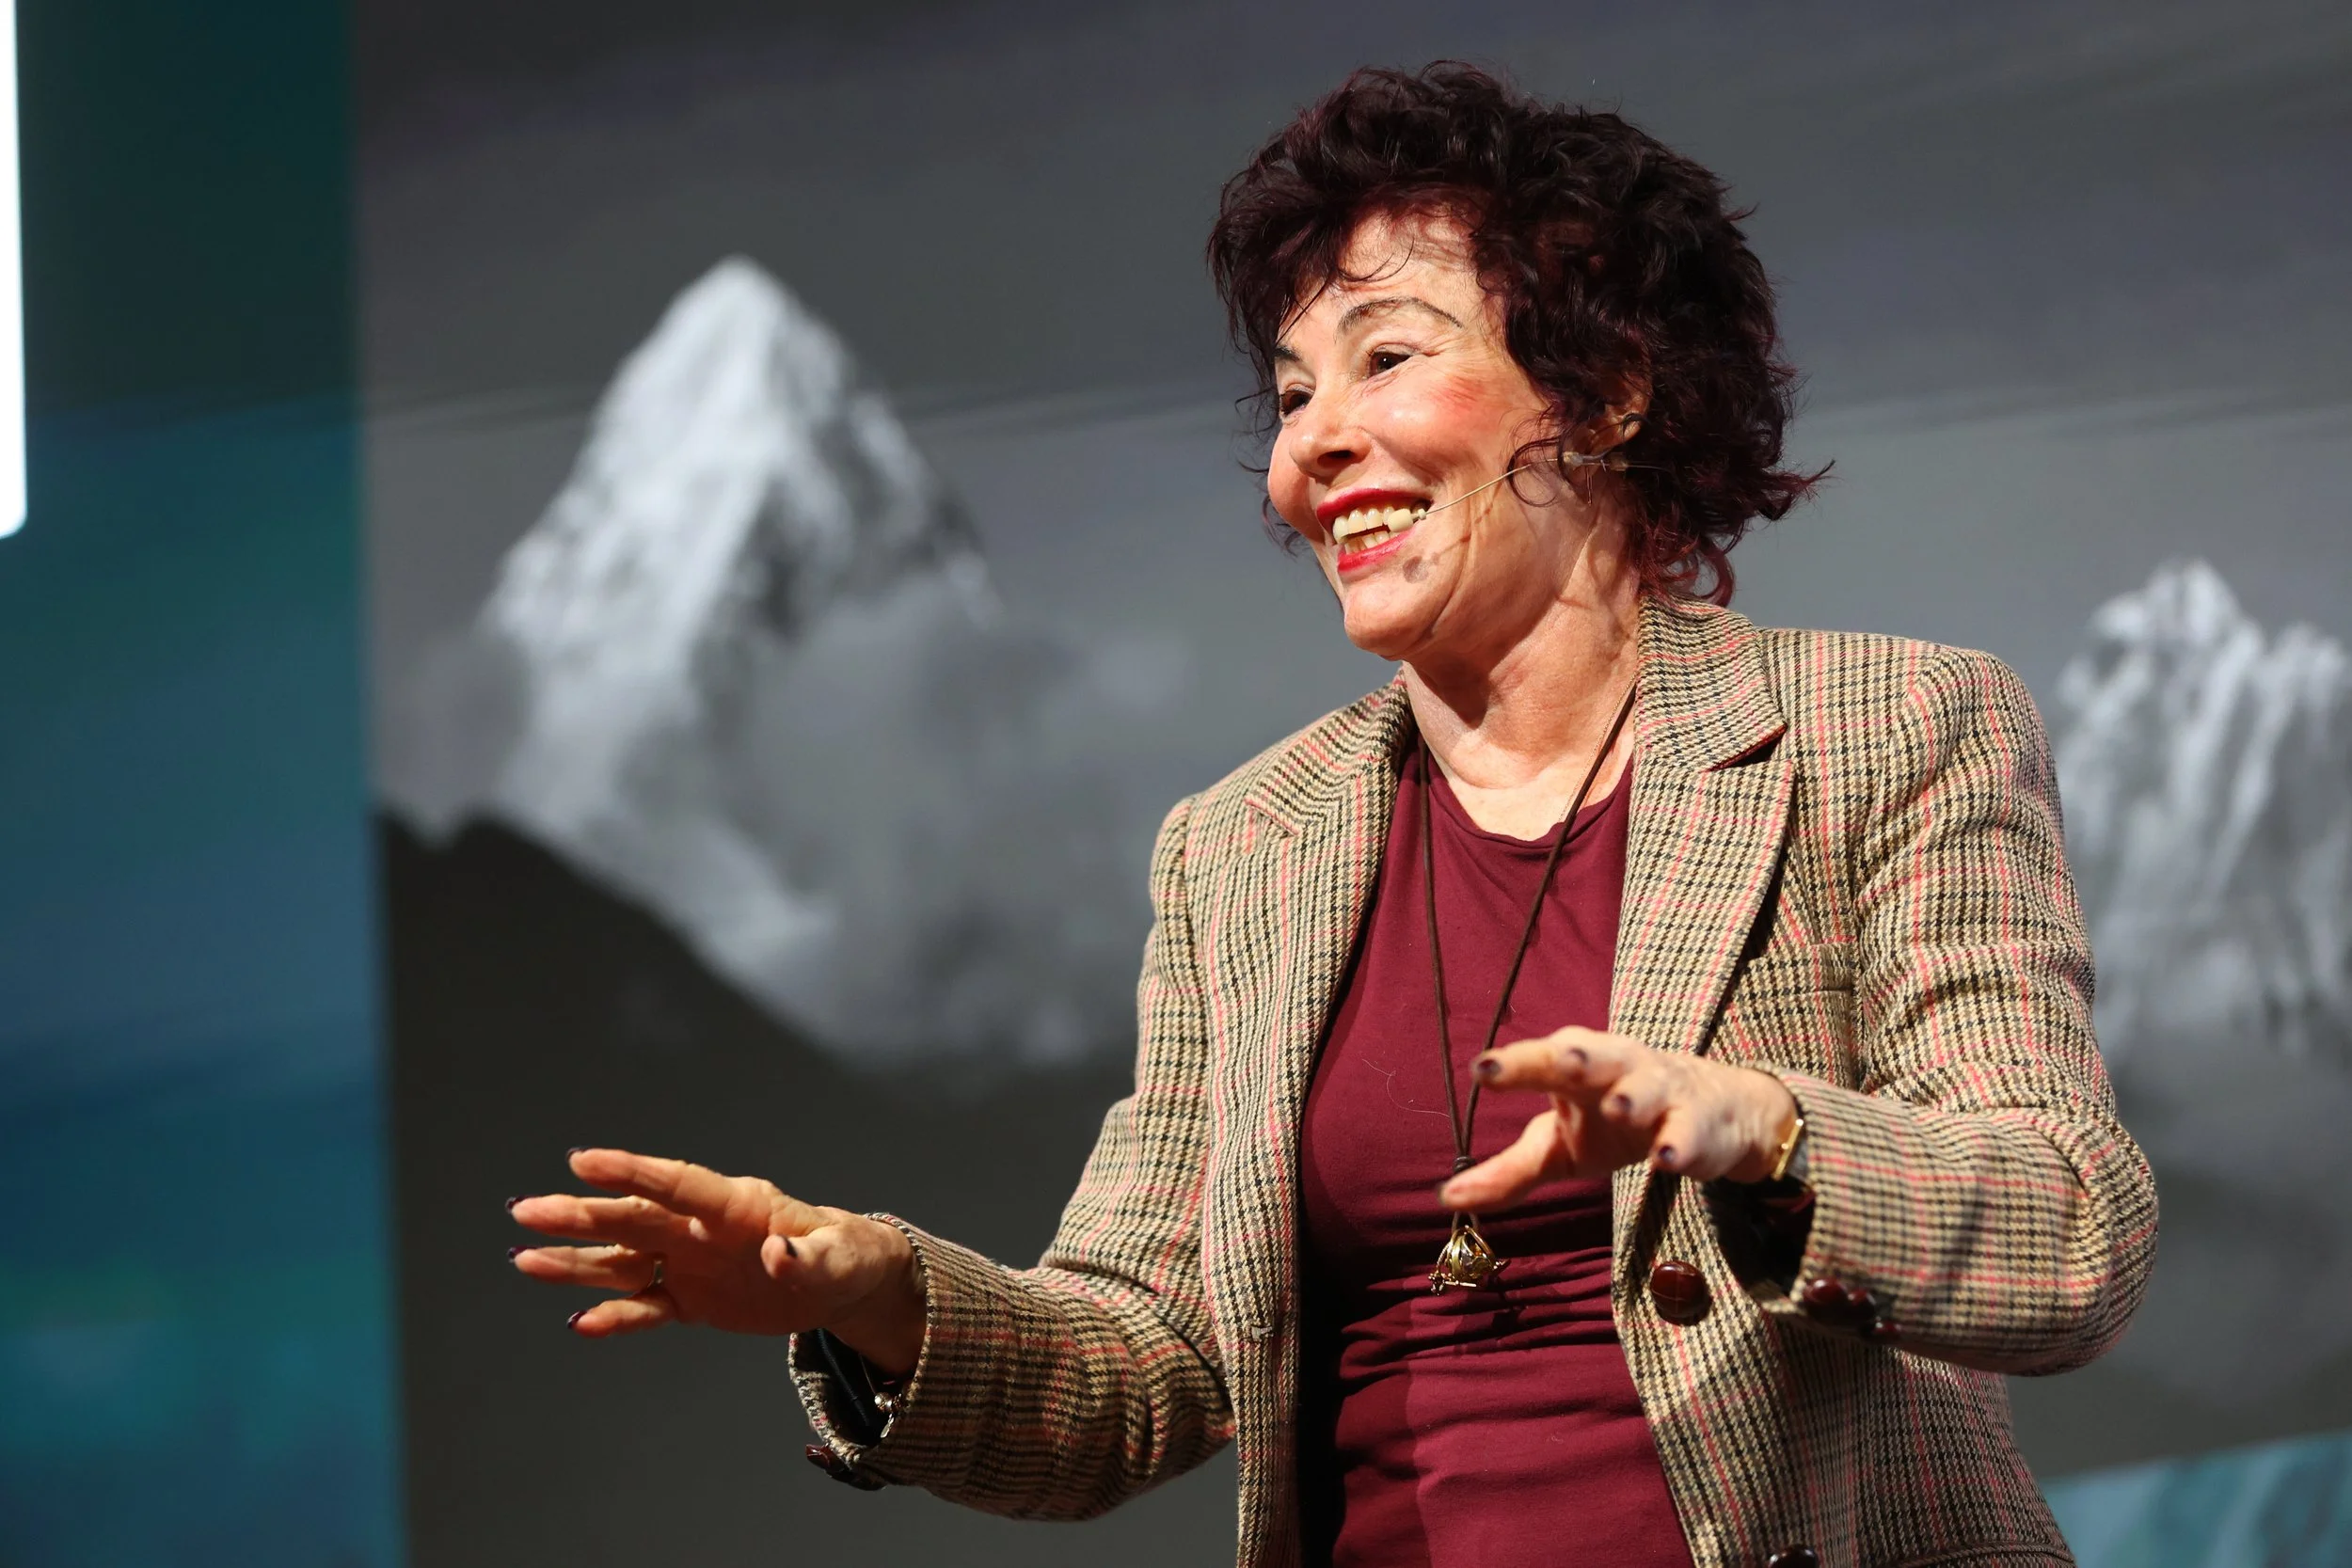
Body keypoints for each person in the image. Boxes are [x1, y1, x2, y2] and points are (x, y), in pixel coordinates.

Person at [507, 64, 2156, 1568]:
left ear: (1605, 393)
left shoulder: (1887, 729)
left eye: (1388, 358)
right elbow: (1139, 1357)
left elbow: (2070, 1225)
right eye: (1293, 394)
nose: (1316, 447)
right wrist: (880, 1294)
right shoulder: (1244, 847)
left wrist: (1766, 1130)